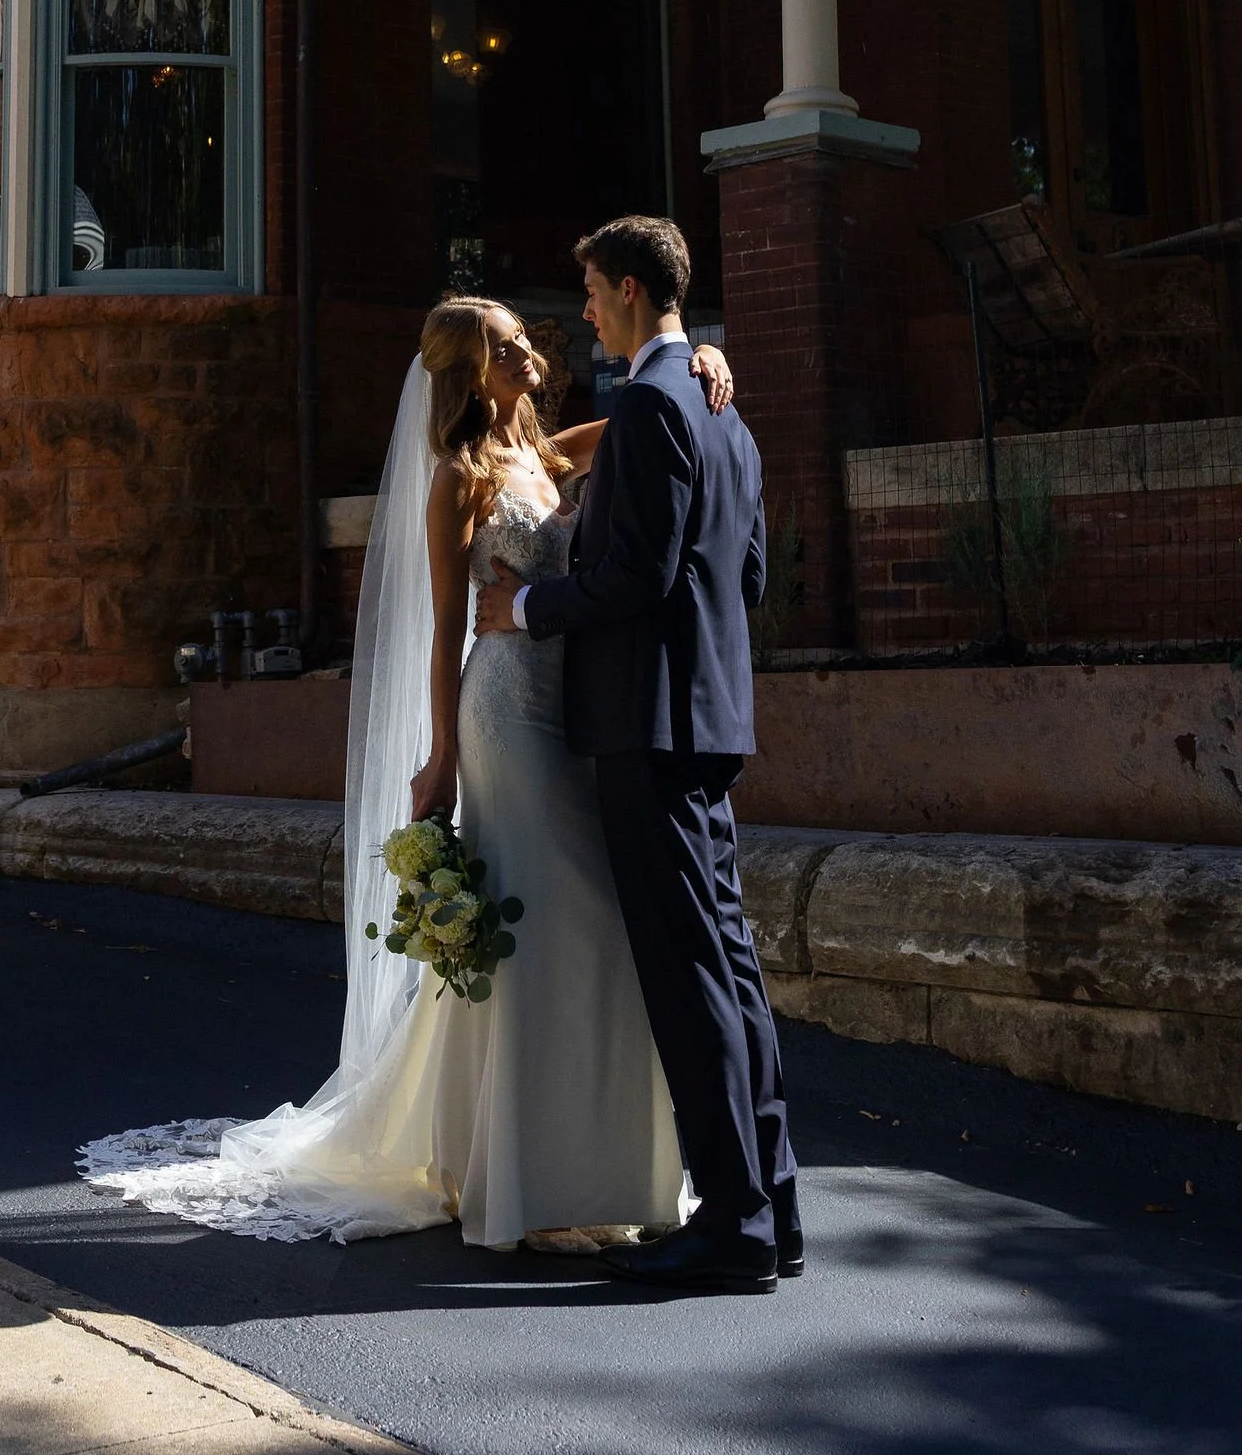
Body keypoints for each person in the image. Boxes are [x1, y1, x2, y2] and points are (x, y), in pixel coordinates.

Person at [76, 294, 735, 1249]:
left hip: (574, 713)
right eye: (506, 350)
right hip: (506, 715)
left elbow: (644, 417)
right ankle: (523, 1177)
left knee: (569, 929)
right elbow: (441, 631)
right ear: (469, 371)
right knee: (554, 920)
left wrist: (711, 366)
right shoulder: (458, 479)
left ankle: (545, 1159)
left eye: (522, 343)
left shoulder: (546, 458)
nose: (529, 358)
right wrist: (441, 755)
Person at [474, 214, 798, 1292]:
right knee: (729, 967)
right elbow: (740, 578)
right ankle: (772, 1205)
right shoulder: (721, 411)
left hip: (646, 724)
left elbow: (635, 579)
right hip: (704, 716)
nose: (582, 314)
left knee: (686, 971)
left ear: (622, 290)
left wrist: (525, 605)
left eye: (588, 294)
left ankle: (735, 1221)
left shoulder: (657, 401)